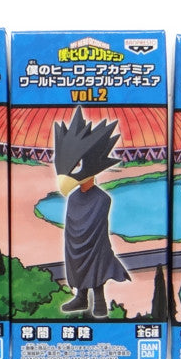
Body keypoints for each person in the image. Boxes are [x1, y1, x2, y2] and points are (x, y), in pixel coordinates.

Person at [53, 107, 130, 318]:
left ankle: (99, 299)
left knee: (96, 257)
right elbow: (72, 229)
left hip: (95, 247)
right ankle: (80, 297)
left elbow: (96, 233)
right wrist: (74, 241)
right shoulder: (73, 198)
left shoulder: (102, 199)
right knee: (77, 260)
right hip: (75, 246)